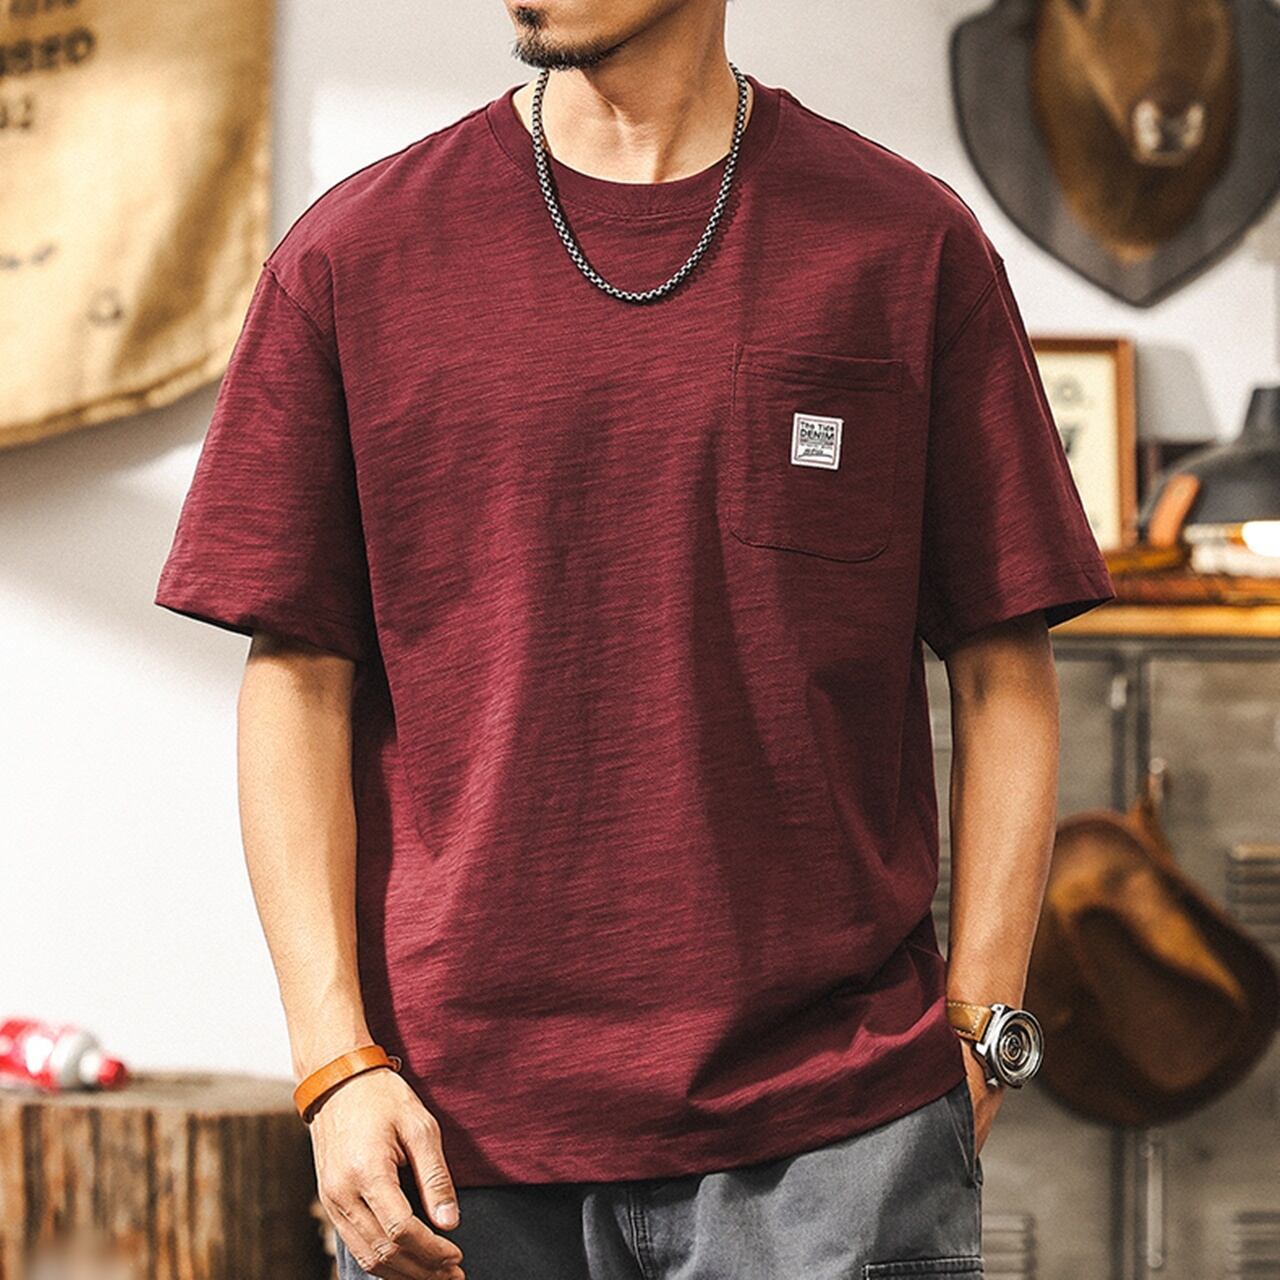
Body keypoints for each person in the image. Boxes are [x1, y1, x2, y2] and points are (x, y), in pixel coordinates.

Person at [154, 2, 1115, 1277]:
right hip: (454, 1139)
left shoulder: (901, 243)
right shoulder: (355, 254)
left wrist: (982, 1025)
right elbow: (294, 682)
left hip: (832, 1142)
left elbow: (1003, 667)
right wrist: (335, 1061)